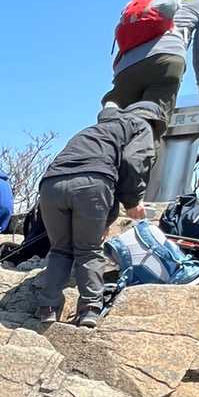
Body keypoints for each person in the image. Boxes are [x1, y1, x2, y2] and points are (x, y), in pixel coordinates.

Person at [32, 100, 167, 328]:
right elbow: (132, 162)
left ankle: (47, 307)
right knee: (88, 250)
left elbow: (107, 175)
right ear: (155, 122)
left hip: (51, 185)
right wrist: (133, 201)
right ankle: (90, 309)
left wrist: (107, 219)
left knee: (60, 249)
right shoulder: (141, 125)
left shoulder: (96, 130)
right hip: (92, 185)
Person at [104, 0, 199, 117]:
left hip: (125, 66)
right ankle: (149, 123)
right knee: (152, 118)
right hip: (166, 58)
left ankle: (109, 114)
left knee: (115, 114)